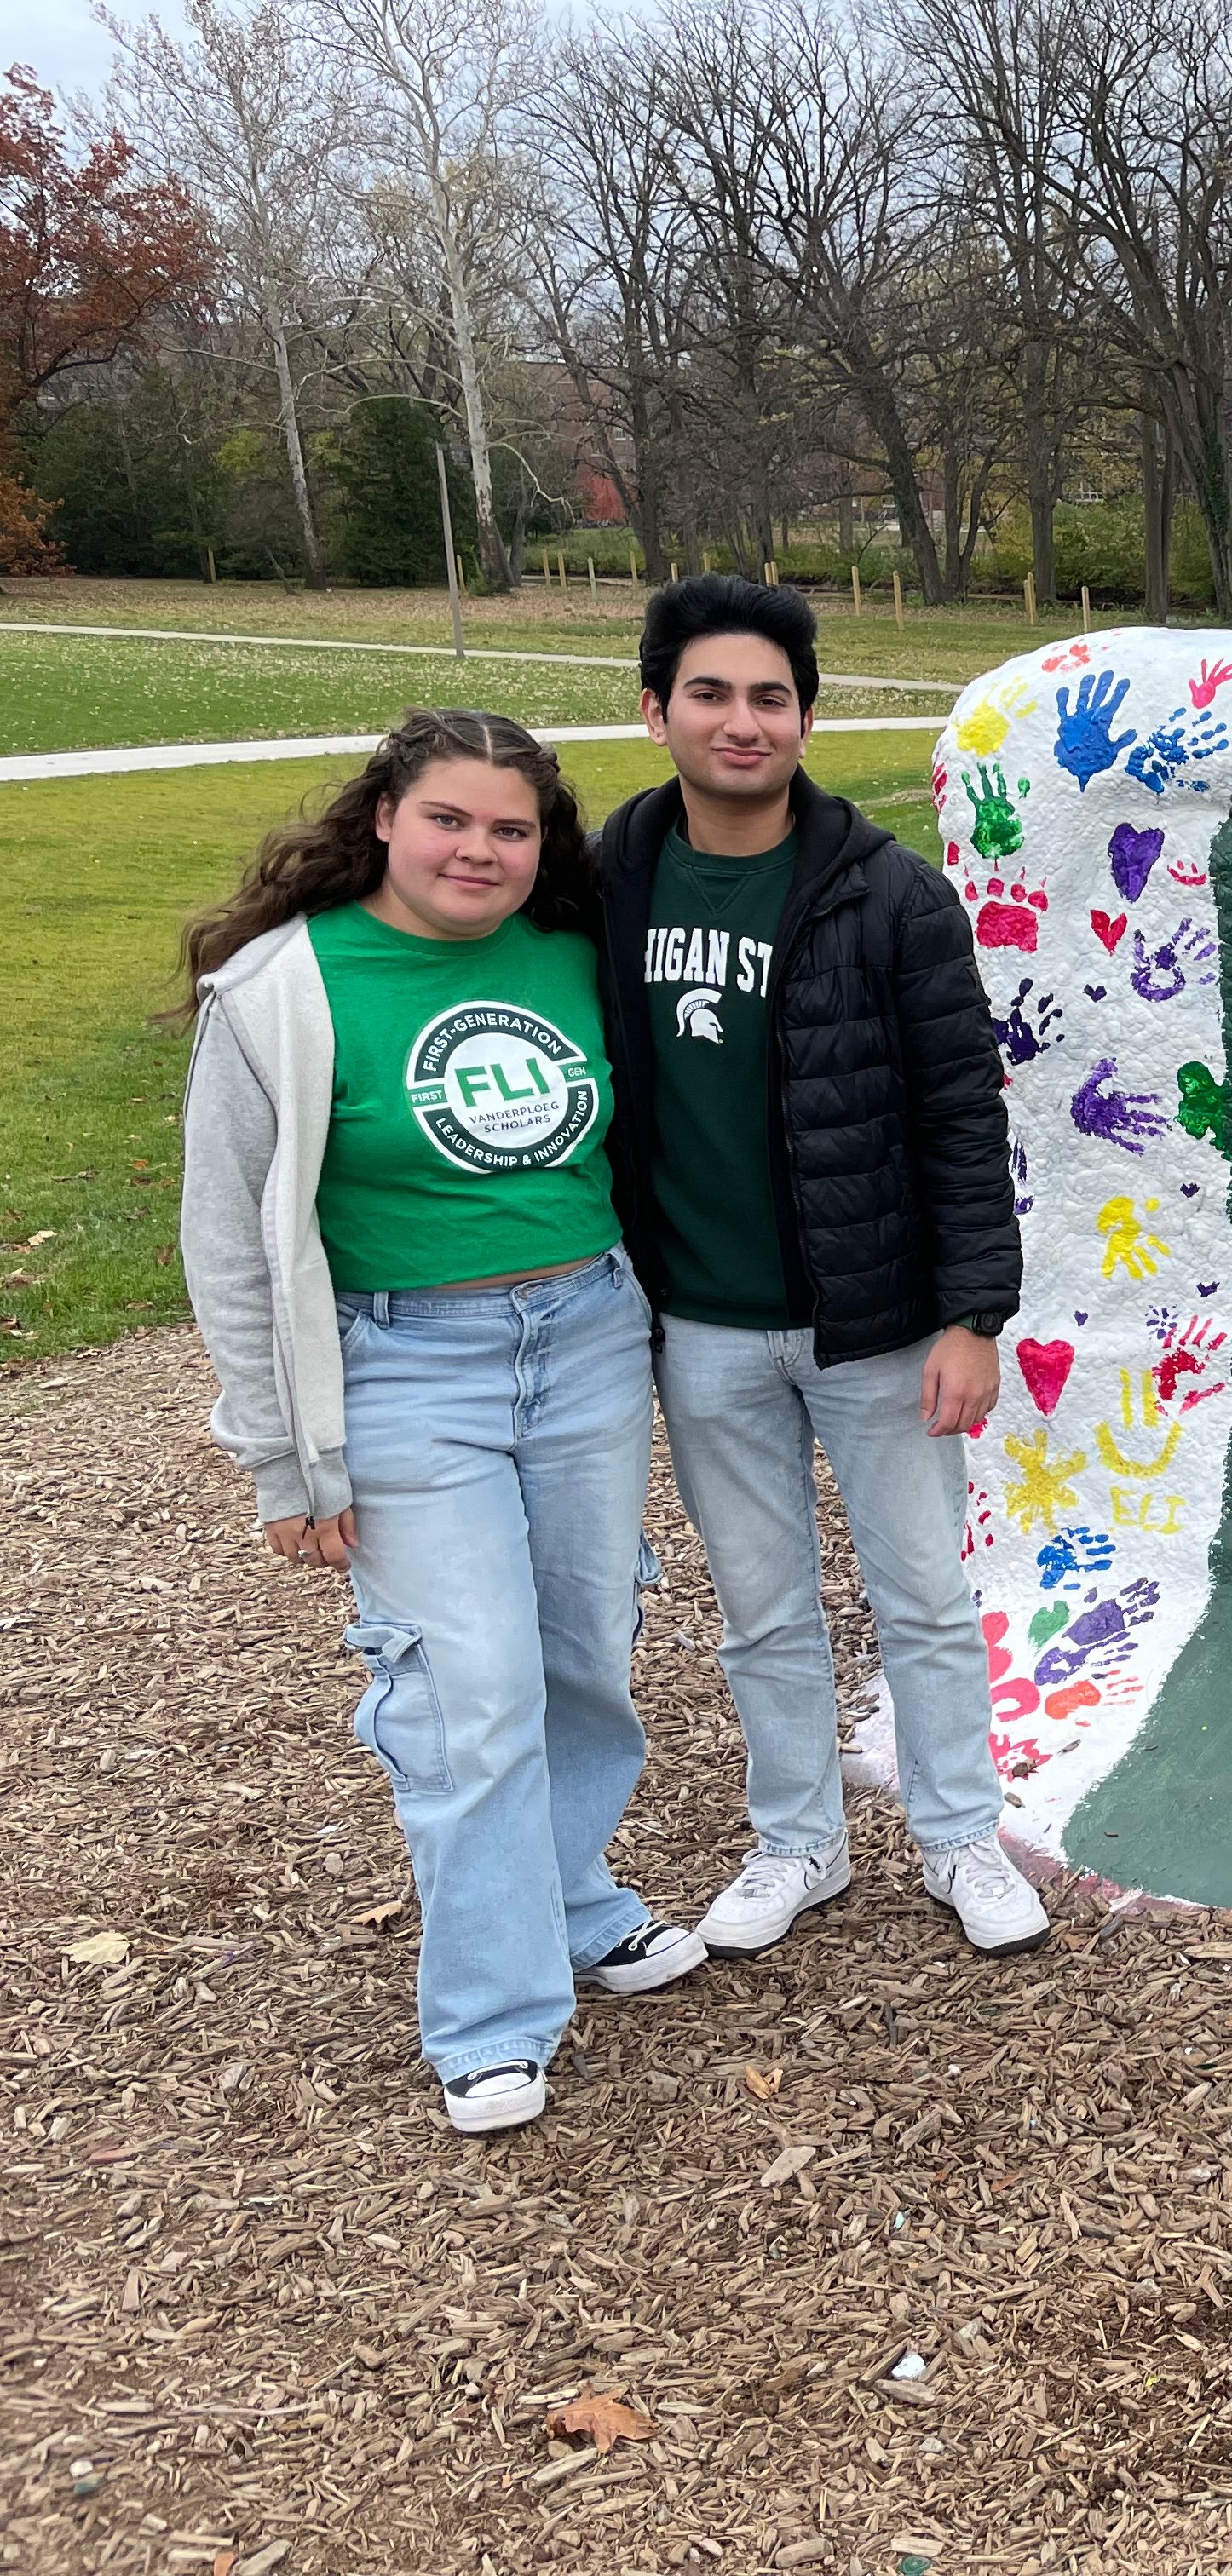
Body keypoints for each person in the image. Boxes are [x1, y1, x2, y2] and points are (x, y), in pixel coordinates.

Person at [178, 709, 703, 2137]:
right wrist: (283, 1458)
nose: (481, 850)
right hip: (407, 1366)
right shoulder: (280, 987)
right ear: (388, 819)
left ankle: (576, 1895)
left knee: (587, 1649)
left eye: (512, 829)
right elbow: (228, 1244)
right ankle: (490, 2013)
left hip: (587, 1336)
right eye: (452, 820)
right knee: (469, 1691)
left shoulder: (573, 956)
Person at [593, 574, 1045, 1959]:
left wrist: (973, 1314)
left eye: (771, 698)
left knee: (920, 1594)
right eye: (712, 694)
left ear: (805, 715)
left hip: (877, 1322)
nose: (743, 722)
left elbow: (965, 1112)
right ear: (658, 706)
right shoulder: (605, 880)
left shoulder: (890, 896)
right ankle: (800, 1838)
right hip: (702, 1325)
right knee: (761, 1609)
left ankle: (961, 1835)